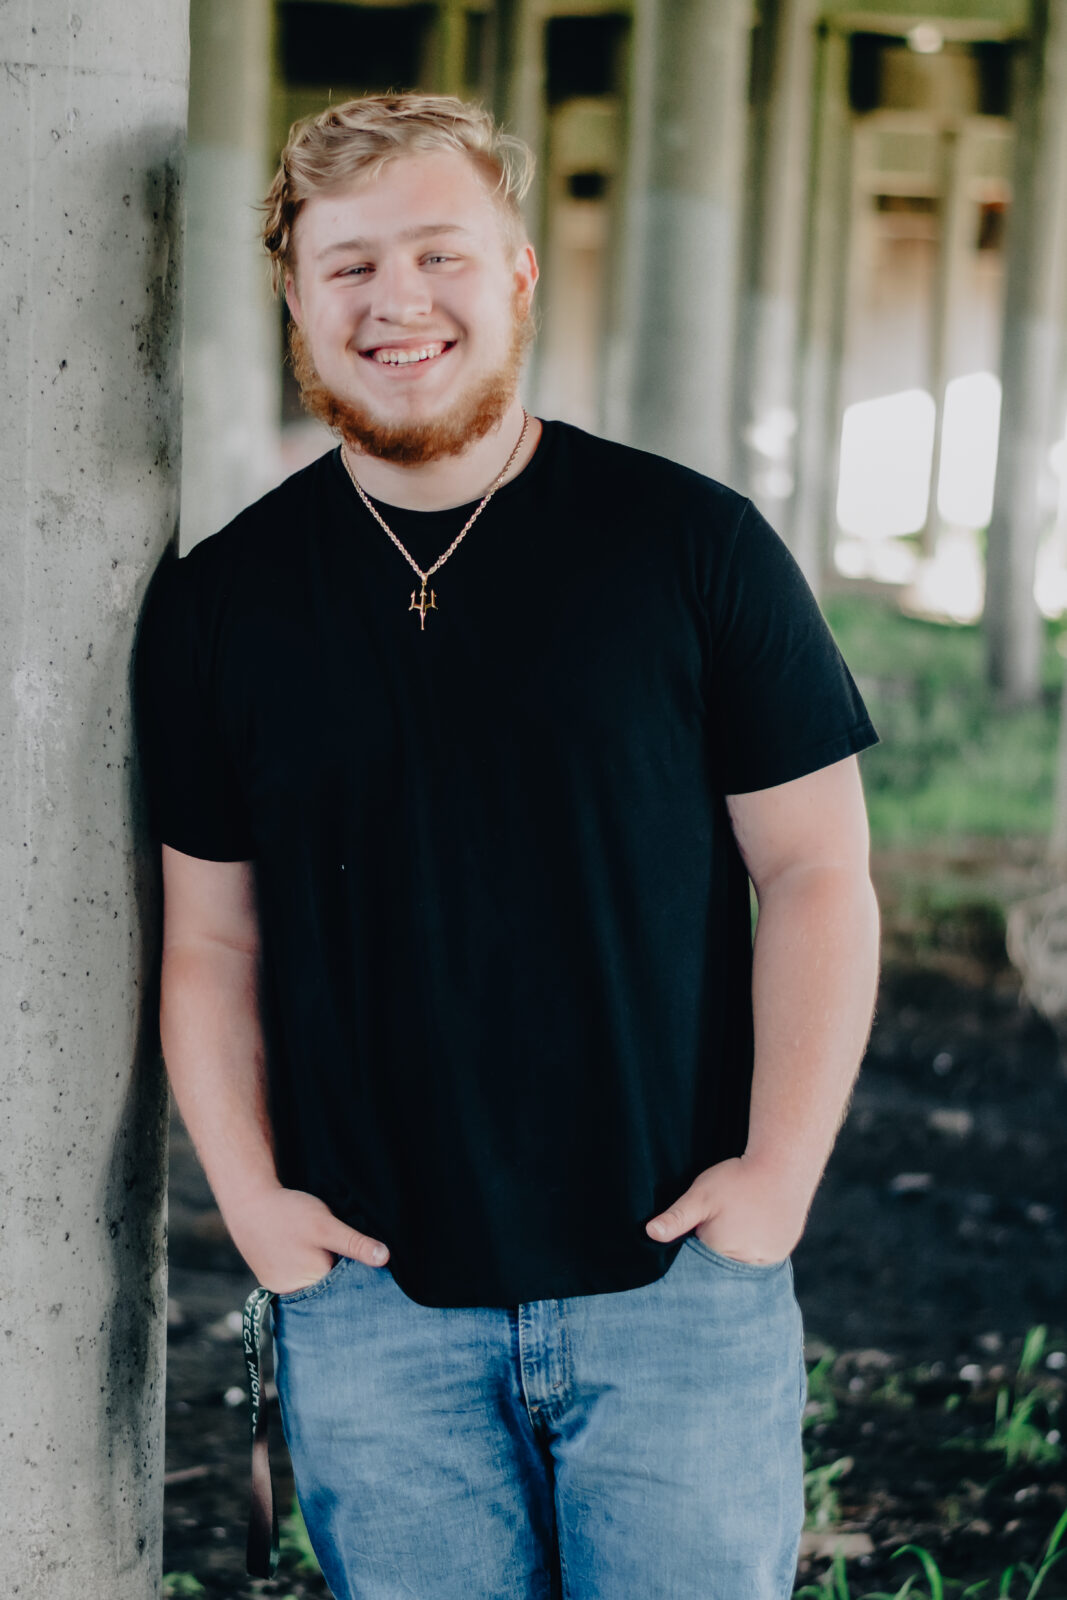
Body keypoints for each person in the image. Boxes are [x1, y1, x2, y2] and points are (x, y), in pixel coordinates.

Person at [136, 92, 880, 1600]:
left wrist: (778, 1180)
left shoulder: (692, 547)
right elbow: (213, 939)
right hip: (372, 1303)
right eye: (347, 266)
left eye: (438, 254)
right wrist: (256, 1212)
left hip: (677, 1287)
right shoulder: (223, 604)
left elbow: (817, 874)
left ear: (520, 272)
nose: (395, 301)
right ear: (295, 296)